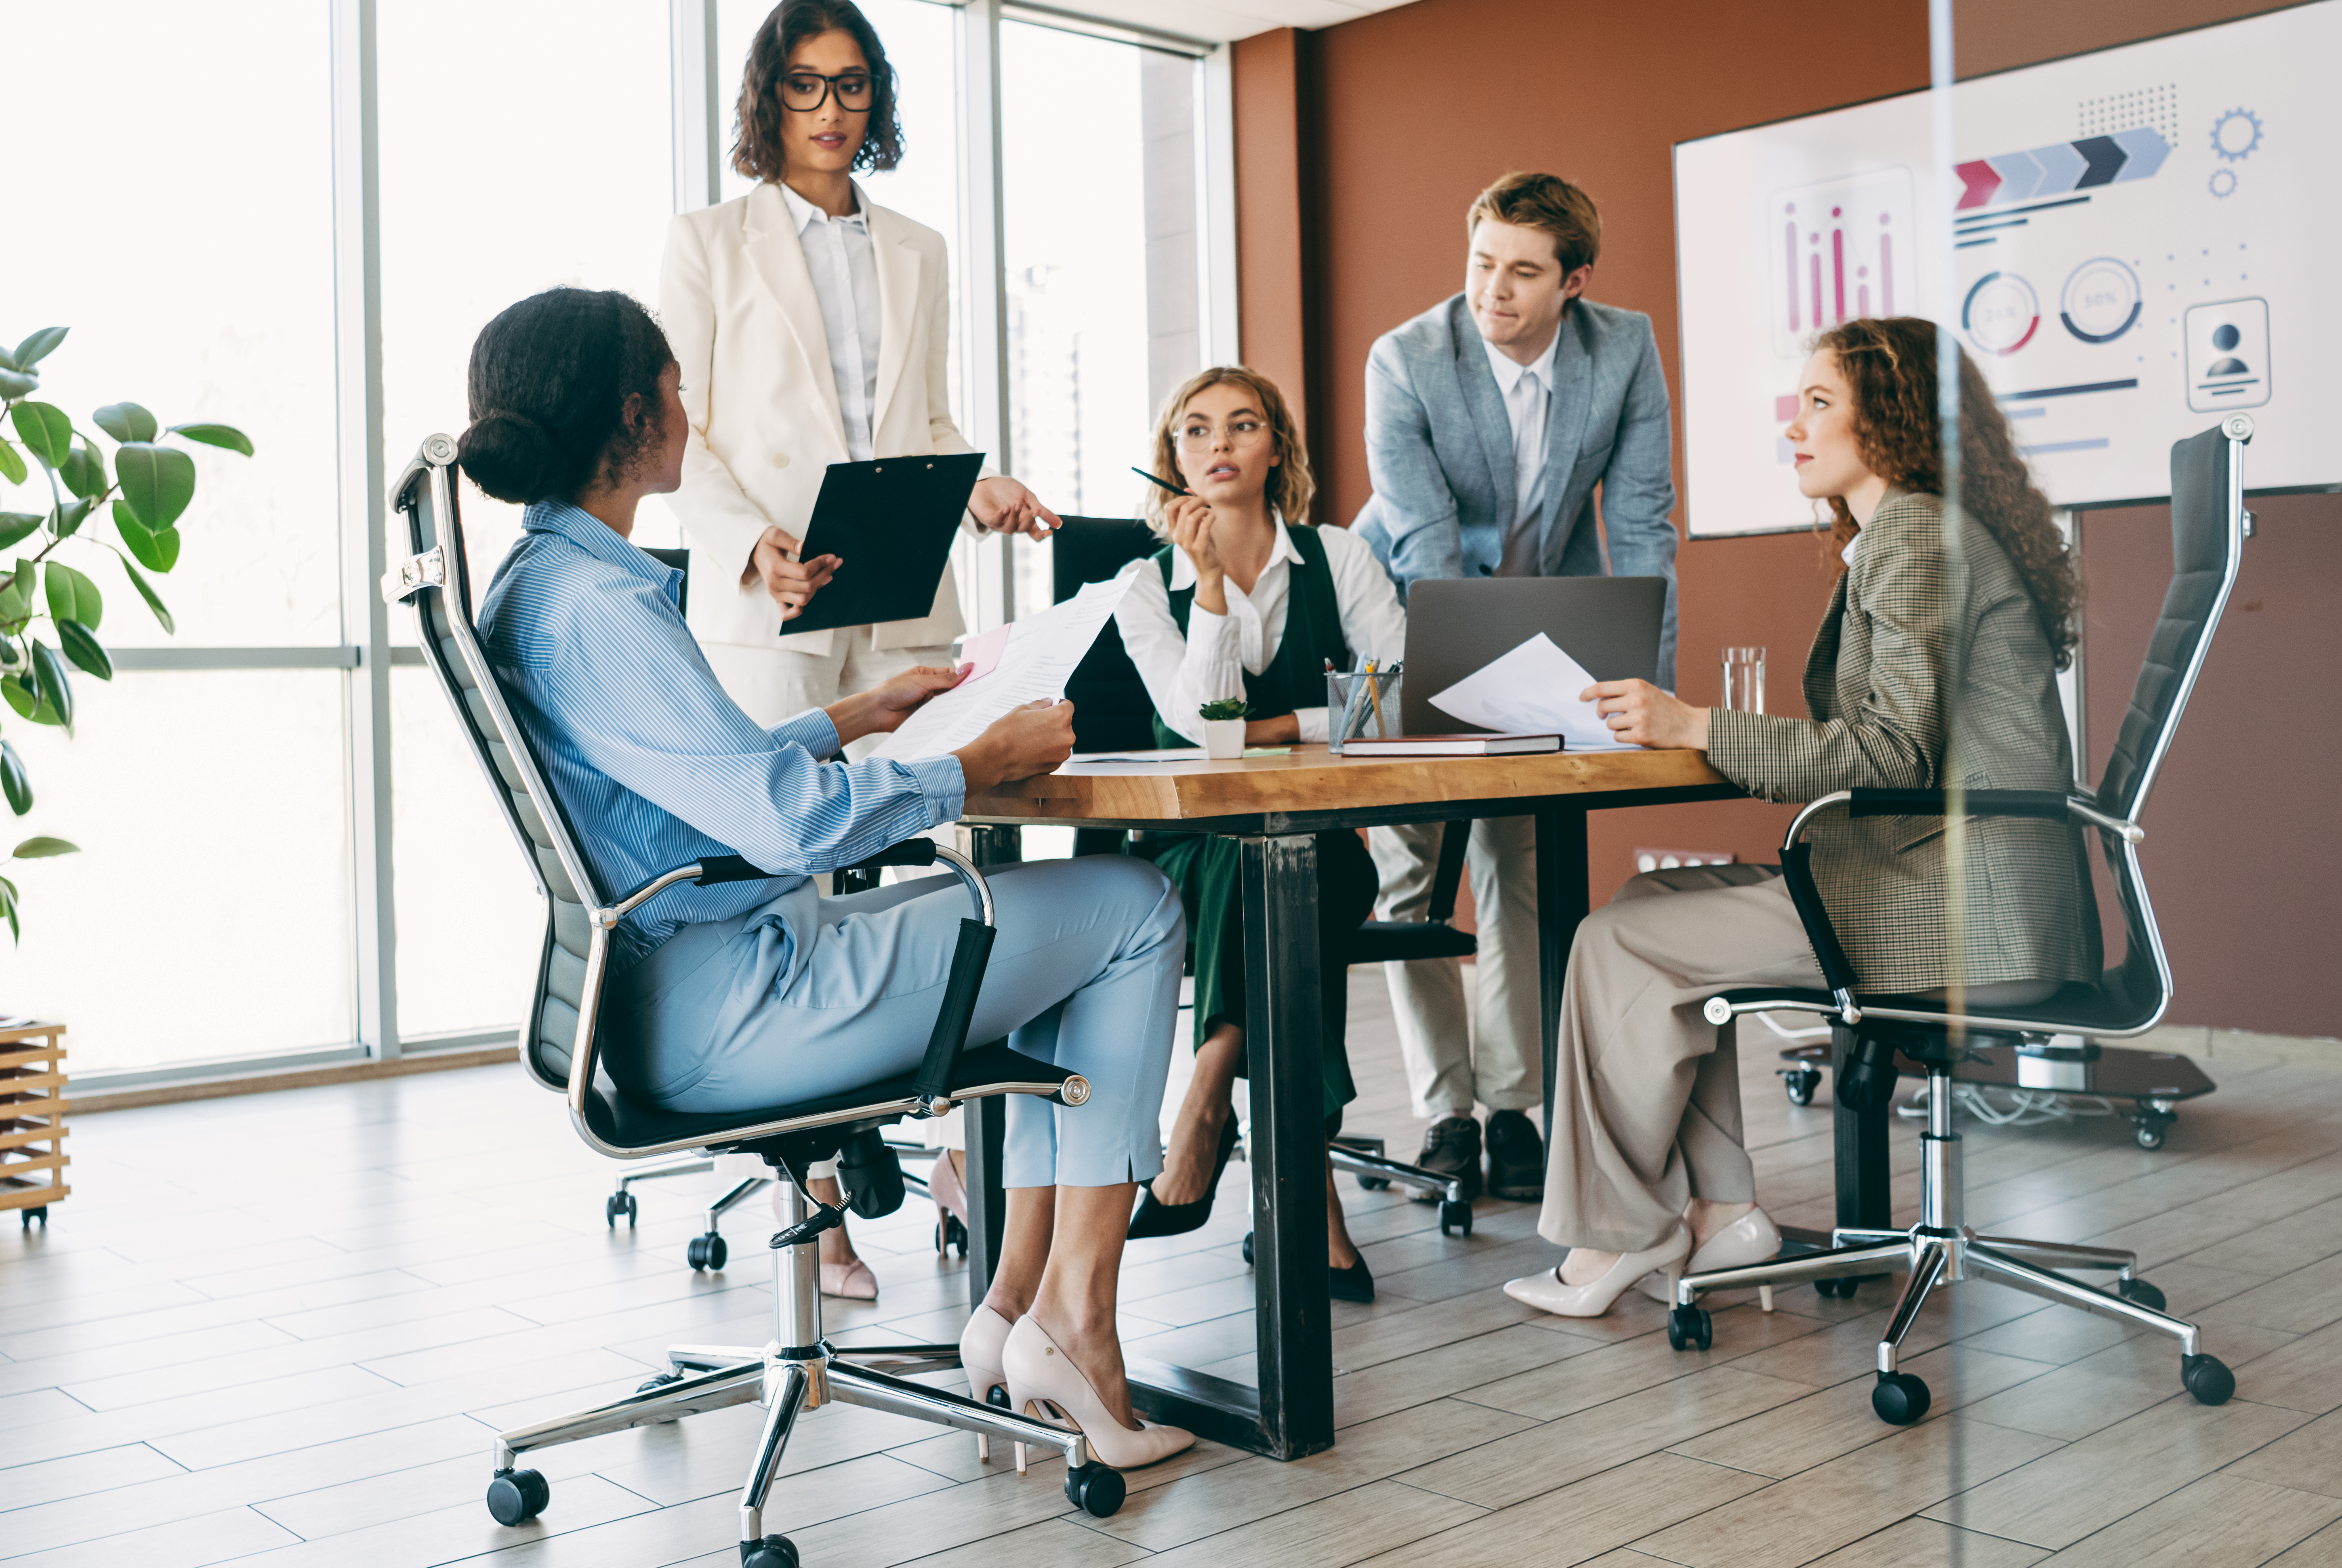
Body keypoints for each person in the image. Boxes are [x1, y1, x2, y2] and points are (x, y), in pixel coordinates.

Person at [462, 286, 1191, 1467]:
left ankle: (1017, 1311)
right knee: (1135, 907)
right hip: (740, 1007)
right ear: (638, 413)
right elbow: (787, 828)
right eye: (681, 385)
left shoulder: (548, 582)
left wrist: (854, 717)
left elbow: (692, 792)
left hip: (677, 994)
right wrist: (969, 764)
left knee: (1067, 926)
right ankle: (1077, 1324)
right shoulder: (600, 607)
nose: (691, 407)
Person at [1505, 316, 2096, 1317]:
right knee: (1652, 903)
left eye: (1821, 403)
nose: (1796, 425)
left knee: (1614, 941)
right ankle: (1726, 1214)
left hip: (1946, 911)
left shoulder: (1914, 533)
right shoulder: (1918, 530)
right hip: (1954, 888)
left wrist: (1698, 722)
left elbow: (1890, 756)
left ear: (1894, 420)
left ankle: (1616, 1239)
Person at [658, 0, 1062, 1296]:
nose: (830, 112)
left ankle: (949, 1133)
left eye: (850, 86)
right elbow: (684, 431)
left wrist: (978, 483)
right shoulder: (706, 241)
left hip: (894, 570)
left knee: (941, 848)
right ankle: (816, 1189)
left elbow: (925, 417)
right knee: (796, 869)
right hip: (776, 583)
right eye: (804, 87)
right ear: (764, 99)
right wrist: (743, 543)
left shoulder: (921, 248)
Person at [1353, 170, 1677, 1207]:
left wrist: (1653, 705)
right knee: (1412, 874)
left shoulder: (1622, 348)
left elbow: (1640, 524)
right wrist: (1456, 696)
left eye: (1524, 271)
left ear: (1574, 281)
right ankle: (1445, 1110)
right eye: (1482, 262)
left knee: (1517, 863)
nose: (1495, 289)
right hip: (1401, 619)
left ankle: (1511, 1104)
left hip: (1550, 618)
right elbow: (1424, 547)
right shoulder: (1406, 359)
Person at [1108, 369, 1407, 1299]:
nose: (1220, 443)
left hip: (1324, 844)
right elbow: (1204, 726)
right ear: (1175, 461)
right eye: (1196, 431)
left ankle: (1206, 1095)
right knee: (1261, 878)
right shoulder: (1142, 586)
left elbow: (1385, 699)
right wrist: (1207, 585)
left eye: (1243, 425)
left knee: (1291, 869)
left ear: (1277, 446)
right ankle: (1312, 1205)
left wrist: (1264, 731)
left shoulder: (1339, 557)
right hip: (1185, 856)